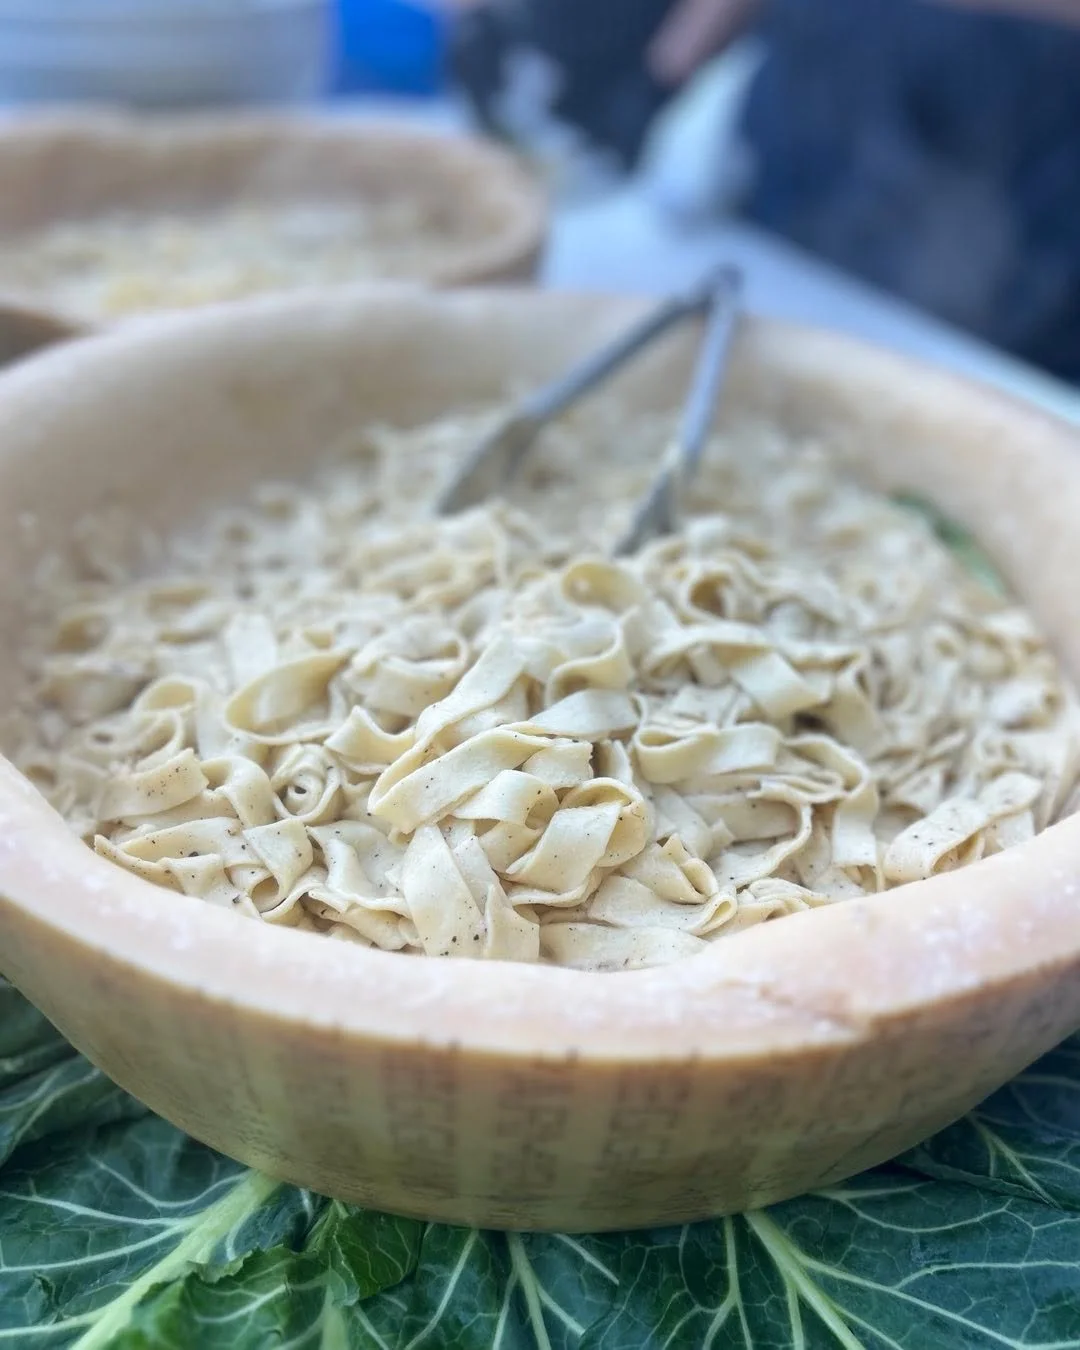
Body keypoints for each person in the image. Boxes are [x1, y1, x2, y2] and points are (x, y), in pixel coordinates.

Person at [447, 0, 1080, 383]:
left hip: (1033, 125)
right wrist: (681, 46)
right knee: (763, 335)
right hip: (825, 90)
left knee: (1004, 391)